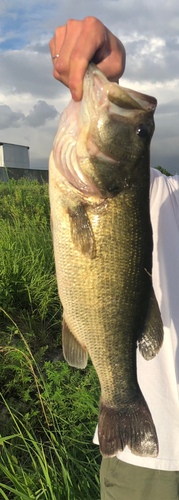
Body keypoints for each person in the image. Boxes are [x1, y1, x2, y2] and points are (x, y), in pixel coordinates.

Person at [49, 17, 179, 500]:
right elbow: (115, 158)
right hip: (154, 467)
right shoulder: (160, 196)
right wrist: (107, 75)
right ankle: (119, 399)